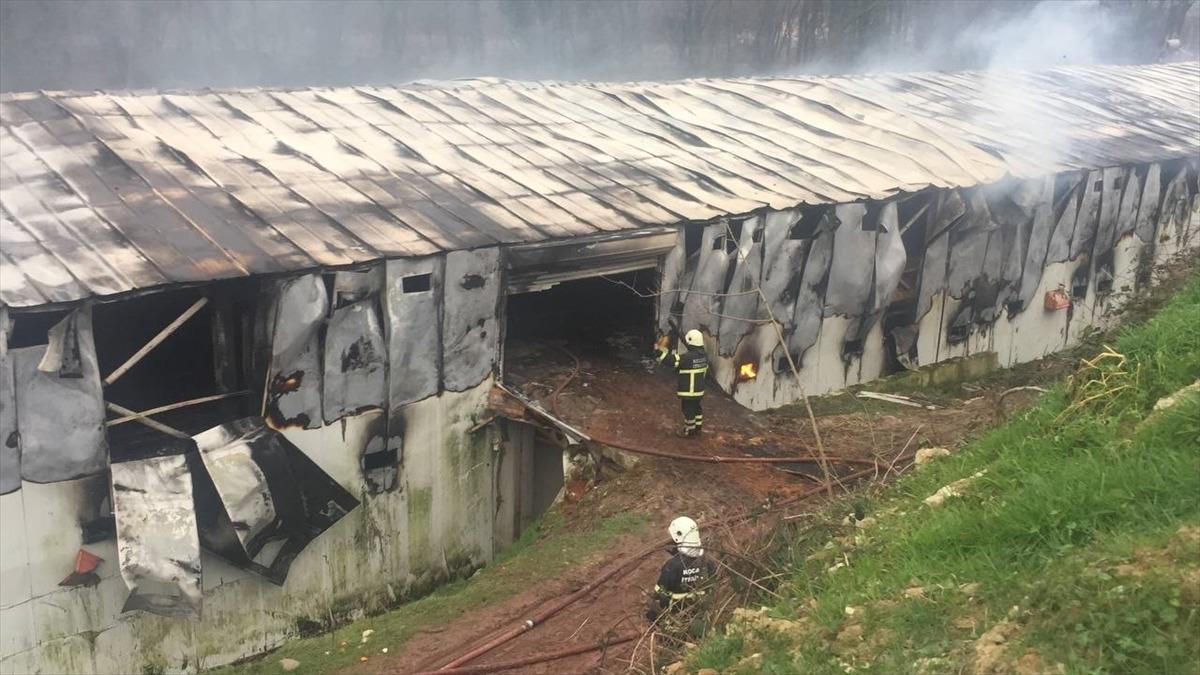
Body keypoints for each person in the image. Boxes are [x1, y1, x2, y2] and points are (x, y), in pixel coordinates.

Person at [646, 516, 716, 622]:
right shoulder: (708, 562)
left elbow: (660, 595)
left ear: (679, 536)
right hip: (700, 614)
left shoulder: (672, 566)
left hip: (675, 617)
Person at [656, 329, 708, 437]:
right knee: (697, 408)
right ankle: (698, 428)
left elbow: (670, 361)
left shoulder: (687, 358)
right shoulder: (704, 356)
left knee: (688, 410)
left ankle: (689, 430)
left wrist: (658, 351)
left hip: (689, 391)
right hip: (699, 390)